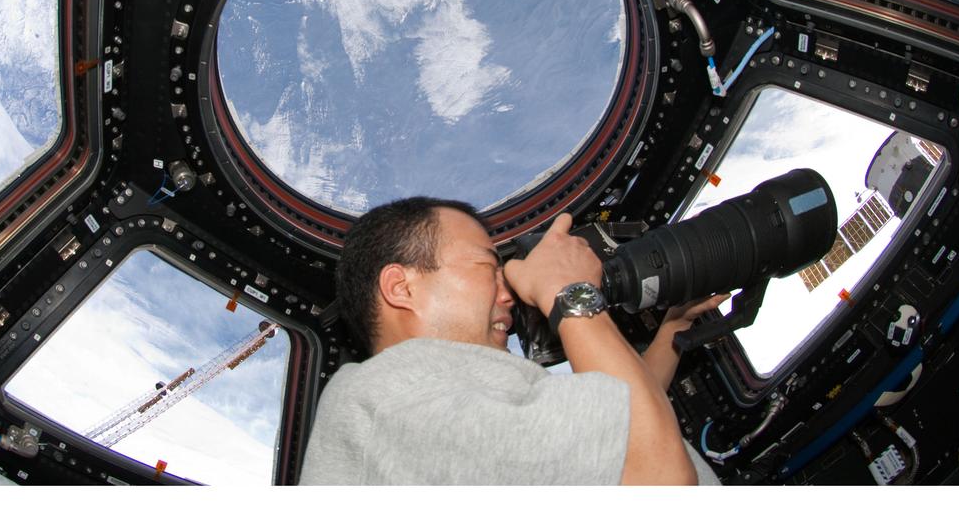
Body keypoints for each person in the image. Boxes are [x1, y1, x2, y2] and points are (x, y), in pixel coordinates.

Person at [298, 197, 725, 485]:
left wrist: (670, 333)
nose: (509, 295)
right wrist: (569, 291)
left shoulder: (423, 408)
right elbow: (657, 477)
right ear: (401, 287)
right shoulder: (380, 398)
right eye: (488, 267)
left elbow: (618, 427)